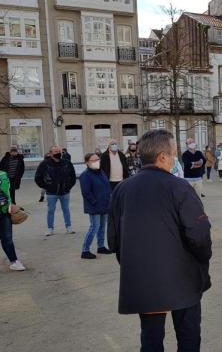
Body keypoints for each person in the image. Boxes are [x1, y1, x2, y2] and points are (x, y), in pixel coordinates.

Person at [108, 129, 212, 351]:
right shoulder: (180, 187)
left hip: (144, 278)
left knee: (151, 337)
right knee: (188, 335)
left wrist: (134, 266)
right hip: (183, 276)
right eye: (174, 153)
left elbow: (114, 240)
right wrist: (201, 262)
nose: (176, 157)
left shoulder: (122, 189)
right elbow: (200, 234)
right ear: (162, 157)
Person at [35, 146, 77, 236]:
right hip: (51, 193)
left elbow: (73, 176)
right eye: (55, 151)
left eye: (59, 151)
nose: (58, 153)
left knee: (66, 209)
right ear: (50, 153)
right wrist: (46, 186)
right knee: (51, 210)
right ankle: (50, 228)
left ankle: (68, 227)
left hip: (65, 191)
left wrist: (68, 186)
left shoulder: (67, 163)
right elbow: (38, 177)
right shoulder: (45, 164)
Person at [79, 153, 112, 260]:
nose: (96, 162)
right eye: (93, 160)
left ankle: (101, 246)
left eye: (97, 159)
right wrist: (94, 202)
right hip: (94, 206)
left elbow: (107, 187)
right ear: (87, 162)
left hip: (105, 204)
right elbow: (86, 192)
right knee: (94, 227)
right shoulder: (85, 175)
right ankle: (85, 250)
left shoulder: (101, 172)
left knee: (102, 227)